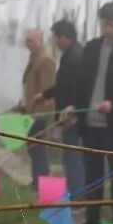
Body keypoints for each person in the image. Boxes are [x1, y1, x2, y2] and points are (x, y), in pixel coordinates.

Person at [71, 2, 113, 224]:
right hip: (90, 124)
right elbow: (82, 83)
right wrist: (75, 108)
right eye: (104, 24)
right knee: (93, 177)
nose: (107, 29)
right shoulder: (91, 48)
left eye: (112, 24)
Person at [49, 19, 87, 200]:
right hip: (68, 115)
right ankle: (75, 195)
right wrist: (46, 94)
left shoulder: (75, 57)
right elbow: (62, 85)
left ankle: (78, 199)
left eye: (56, 38)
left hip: (71, 117)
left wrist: (73, 113)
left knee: (73, 159)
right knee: (70, 158)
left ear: (65, 37)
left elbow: (74, 88)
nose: (55, 42)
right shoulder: (70, 54)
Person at [18, 28, 56, 186]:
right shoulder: (33, 59)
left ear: (41, 41)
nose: (29, 44)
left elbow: (49, 89)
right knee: (33, 147)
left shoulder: (46, 60)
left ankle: (43, 182)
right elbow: (30, 85)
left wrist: (42, 111)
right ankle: (36, 181)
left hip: (41, 112)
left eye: (32, 41)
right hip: (31, 111)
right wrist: (24, 104)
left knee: (38, 148)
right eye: (27, 41)